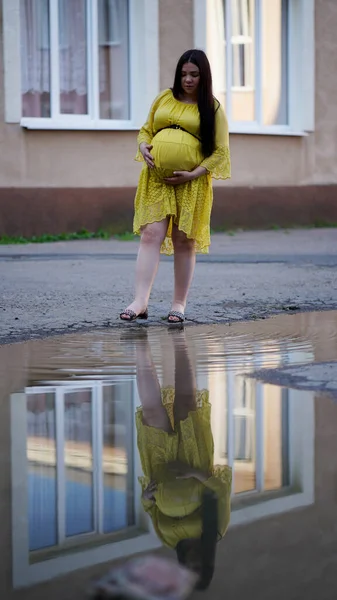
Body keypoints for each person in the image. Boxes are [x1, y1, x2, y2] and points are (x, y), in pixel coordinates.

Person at [120, 49, 231, 323]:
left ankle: (178, 304)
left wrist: (193, 174)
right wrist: (143, 146)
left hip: (190, 184)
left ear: (204, 76)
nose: (188, 80)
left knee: (184, 241)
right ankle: (140, 301)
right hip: (157, 180)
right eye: (183, 74)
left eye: (194, 74)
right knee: (150, 236)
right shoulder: (164, 97)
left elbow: (220, 152)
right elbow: (146, 129)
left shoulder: (212, 108)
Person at [133, 329, 232, 590]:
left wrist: (147, 497)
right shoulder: (215, 532)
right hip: (194, 462)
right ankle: (180, 341)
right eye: (200, 568)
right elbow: (221, 490)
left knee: (152, 412)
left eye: (189, 570)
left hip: (161, 468)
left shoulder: (168, 541)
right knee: (186, 402)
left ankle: (139, 347)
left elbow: (151, 510)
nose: (193, 564)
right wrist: (193, 472)